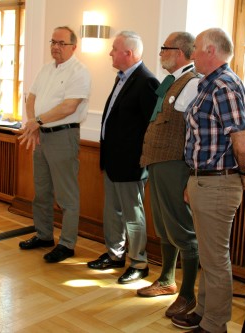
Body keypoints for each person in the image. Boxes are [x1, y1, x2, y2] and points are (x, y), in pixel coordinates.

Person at [171, 28, 245, 333]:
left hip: (217, 184)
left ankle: (214, 325)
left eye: (196, 48)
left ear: (211, 51)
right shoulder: (208, 85)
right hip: (204, 181)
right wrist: (192, 181)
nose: (192, 53)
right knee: (210, 256)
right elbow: (204, 141)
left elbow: (242, 141)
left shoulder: (223, 86)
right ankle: (204, 311)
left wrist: (239, 173)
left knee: (215, 258)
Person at [136, 32, 200, 318]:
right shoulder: (173, 82)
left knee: (181, 229)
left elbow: (191, 130)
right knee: (163, 225)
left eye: (166, 48)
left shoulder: (193, 82)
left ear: (182, 52)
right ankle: (166, 280)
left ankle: (188, 295)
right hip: (158, 162)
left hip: (175, 164)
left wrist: (189, 174)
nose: (161, 52)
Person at [87, 31, 159, 284]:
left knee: (132, 215)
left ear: (128, 53)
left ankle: (139, 262)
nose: (110, 53)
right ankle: (115, 255)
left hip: (131, 164)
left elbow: (153, 127)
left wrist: (141, 160)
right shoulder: (122, 78)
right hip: (113, 160)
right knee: (113, 212)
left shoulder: (147, 81)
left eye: (114, 48)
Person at [18, 26, 91, 263]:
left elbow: (69, 107)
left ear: (73, 47)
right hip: (41, 134)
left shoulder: (79, 72)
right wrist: (33, 123)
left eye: (61, 43)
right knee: (42, 191)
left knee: (66, 196)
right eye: (53, 42)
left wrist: (37, 122)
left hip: (63, 136)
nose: (55, 47)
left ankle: (67, 244)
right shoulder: (46, 69)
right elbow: (32, 97)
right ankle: (44, 235)